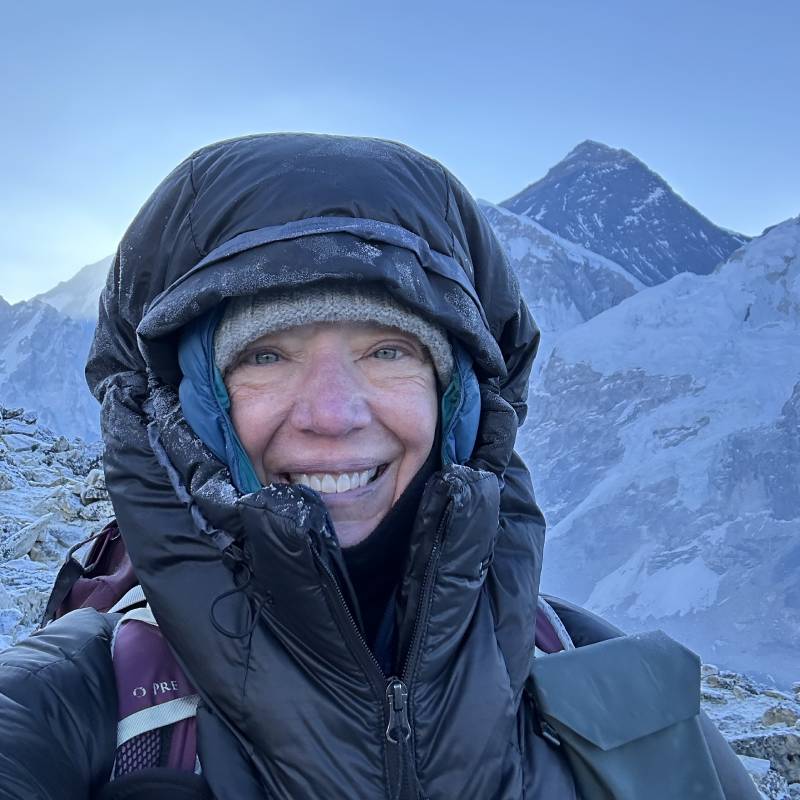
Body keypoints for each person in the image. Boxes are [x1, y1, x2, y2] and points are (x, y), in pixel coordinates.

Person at [0, 133, 759, 799]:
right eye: (266, 355)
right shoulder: (78, 709)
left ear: (456, 400)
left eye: (387, 351)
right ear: (192, 412)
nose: (333, 414)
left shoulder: (627, 703)